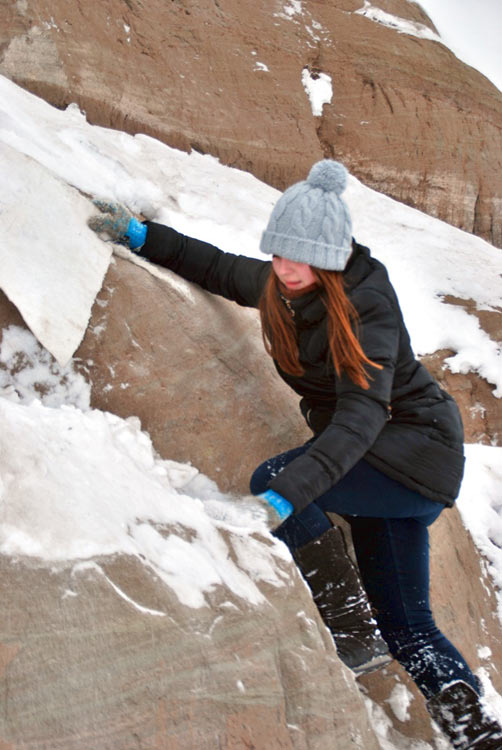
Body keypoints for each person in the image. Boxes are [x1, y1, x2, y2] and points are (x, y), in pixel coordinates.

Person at [89, 160, 502, 749]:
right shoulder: (286, 284)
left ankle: (347, 618)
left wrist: (285, 495)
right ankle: (478, 734)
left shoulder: (367, 310)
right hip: (391, 464)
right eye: (280, 253)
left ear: (331, 258)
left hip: (413, 450)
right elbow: (219, 267)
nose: (285, 268)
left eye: (300, 257)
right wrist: (142, 237)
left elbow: (360, 417)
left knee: (277, 475)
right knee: (409, 628)